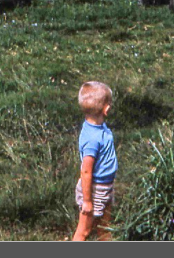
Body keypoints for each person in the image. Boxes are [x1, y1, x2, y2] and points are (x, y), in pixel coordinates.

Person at [72, 81, 118, 241]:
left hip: (106, 186)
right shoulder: (92, 139)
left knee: (105, 227)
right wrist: (87, 201)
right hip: (95, 189)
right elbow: (86, 171)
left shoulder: (99, 127)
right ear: (106, 108)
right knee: (83, 231)